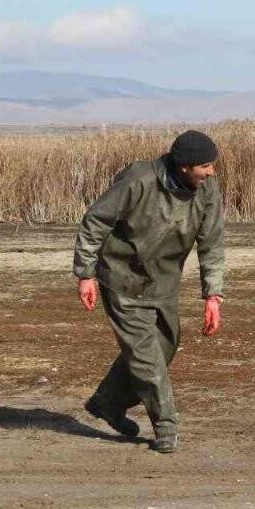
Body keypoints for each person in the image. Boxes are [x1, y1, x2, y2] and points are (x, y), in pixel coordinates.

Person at [72, 130, 225, 453]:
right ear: (184, 166)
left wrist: (213, 296)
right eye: (206, 166)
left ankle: (107, 402)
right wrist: (85, 273)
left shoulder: (207, 190)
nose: (212, 172)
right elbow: (96, 220)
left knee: (163, 349)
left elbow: (211, 243)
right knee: (147, 359)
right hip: (122, 279)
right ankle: (166, 426)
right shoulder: (139, 180)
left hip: (163, 283)